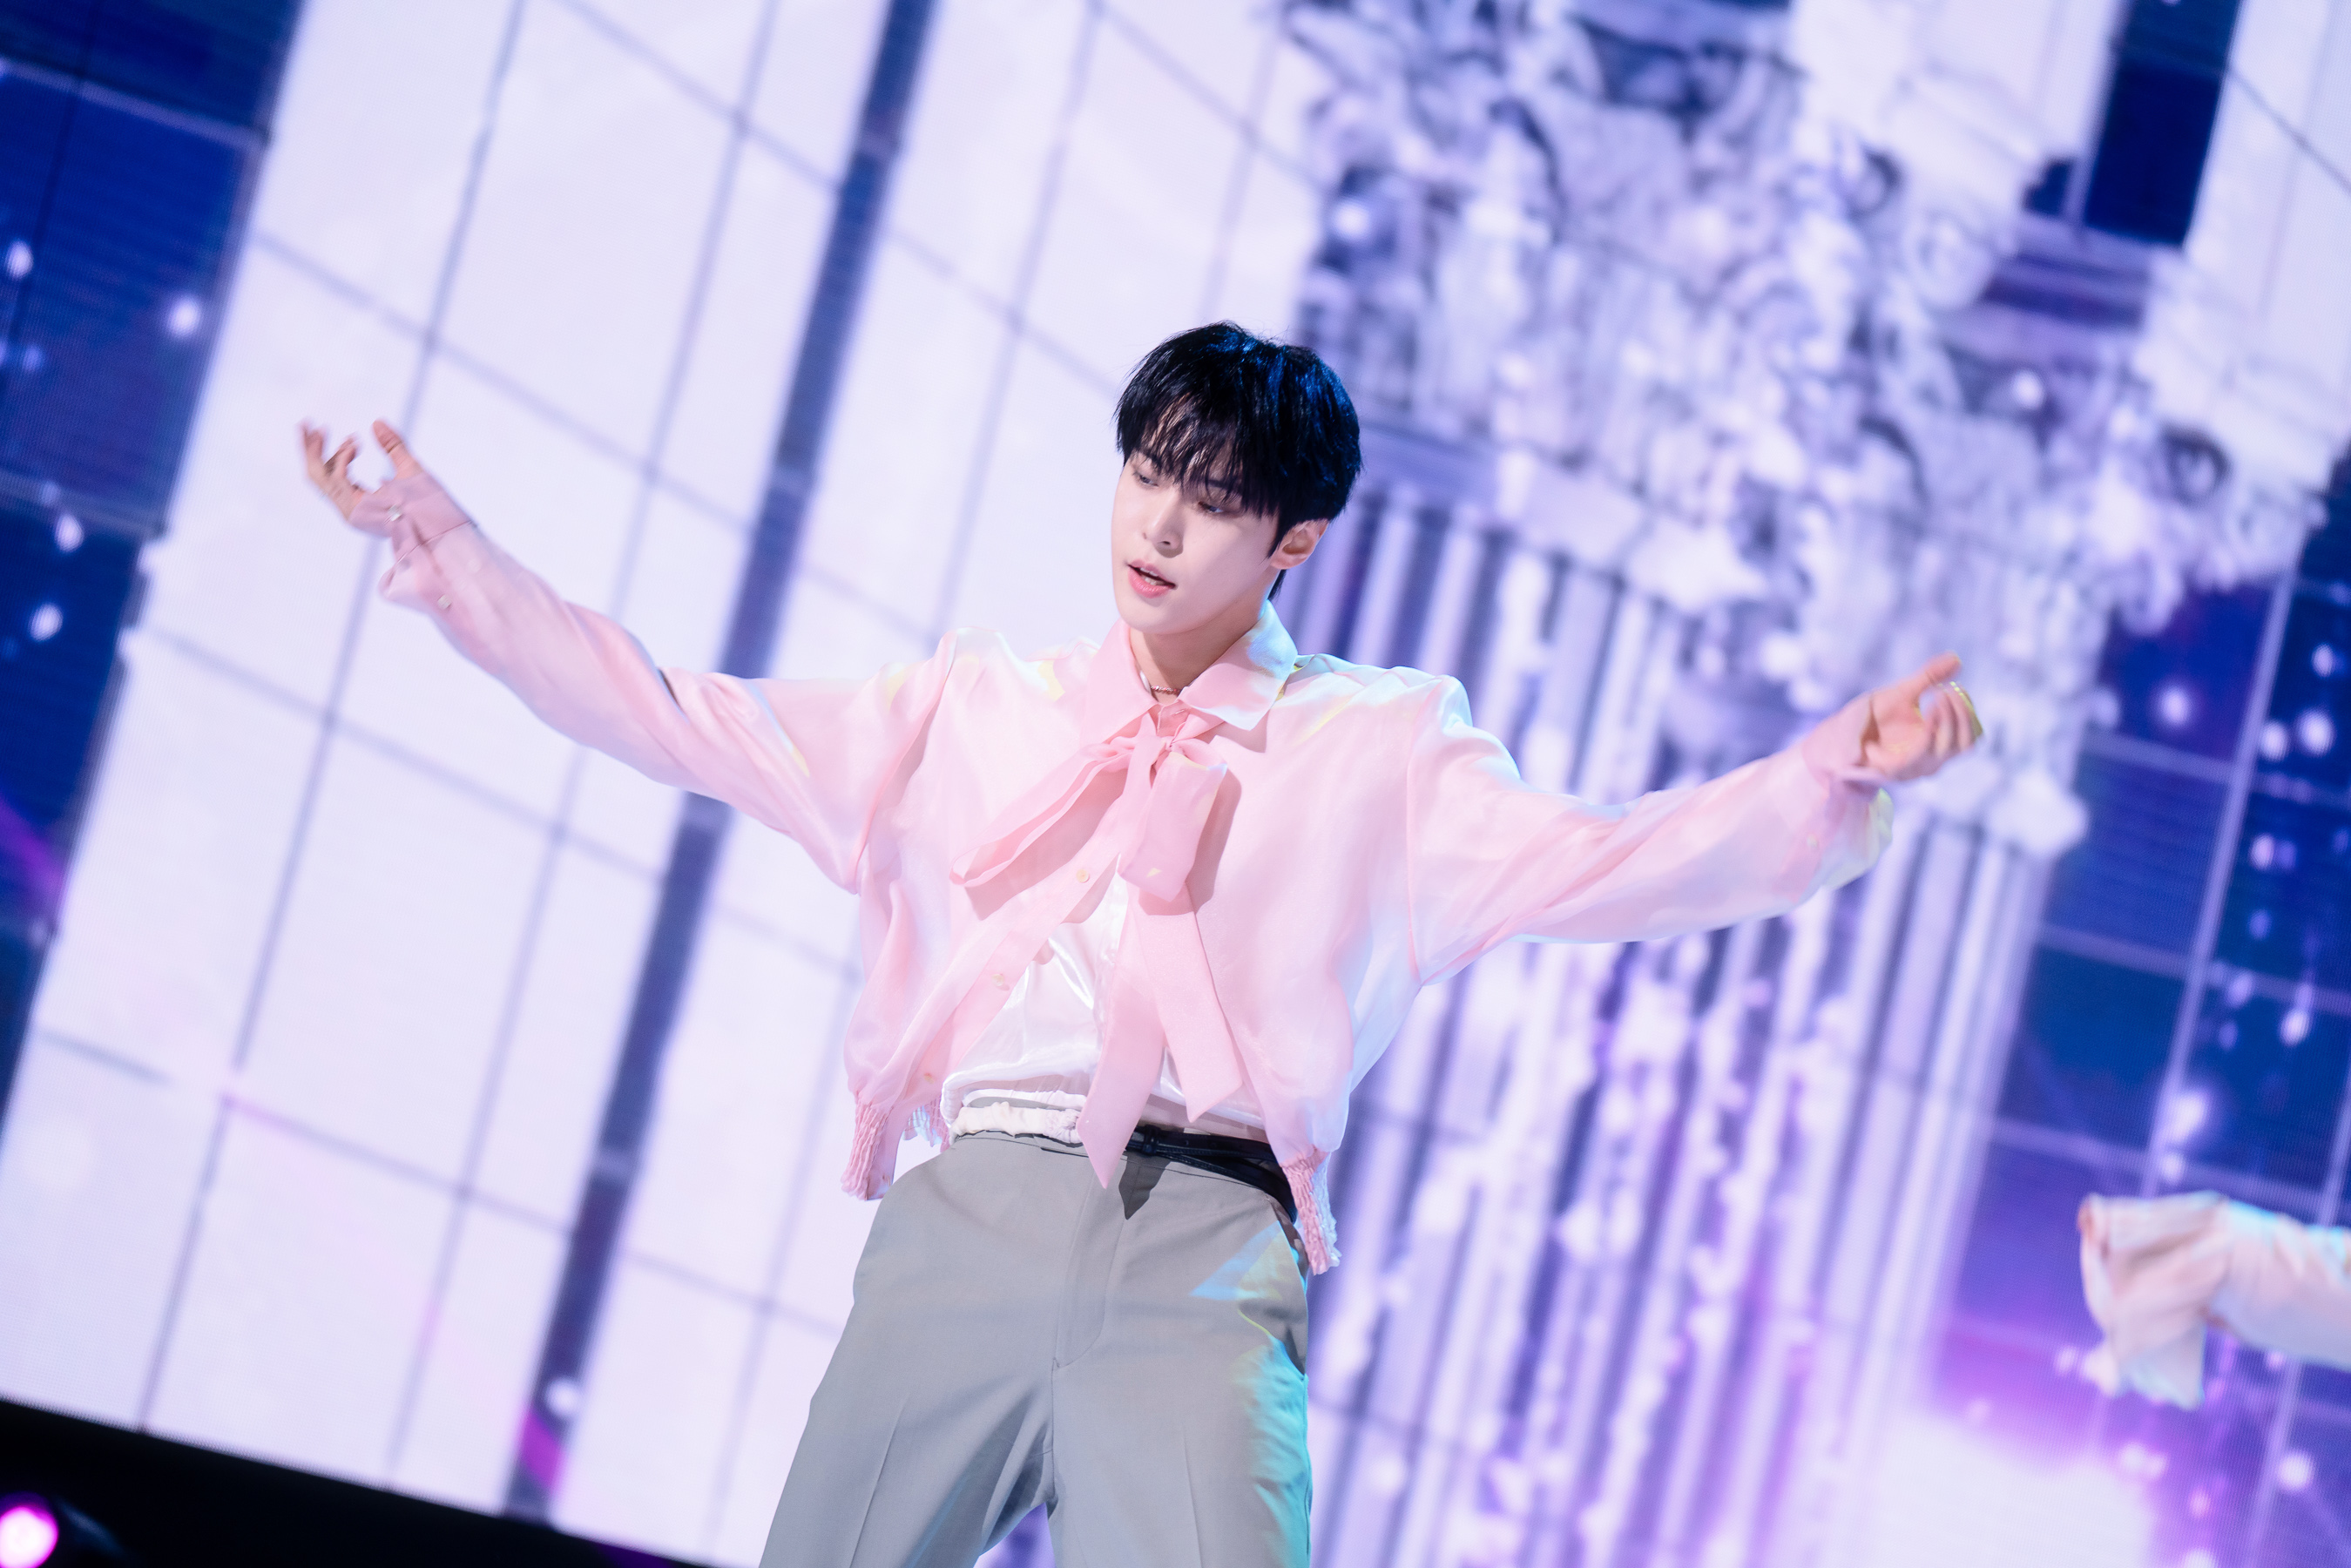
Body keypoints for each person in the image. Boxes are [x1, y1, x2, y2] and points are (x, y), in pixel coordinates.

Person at [301, 322, 1982, 1568]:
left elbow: (1604, 863)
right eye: (1147, 473)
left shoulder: (1381, 747)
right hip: (966, 1228)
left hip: (1205, 1263)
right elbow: (676, 715)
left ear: (1293, 541)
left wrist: (1821, 777)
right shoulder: (974, 707)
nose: (1160, 526)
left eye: (1215, 500)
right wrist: (450, 557)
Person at [2079, 1192, 2351, 1408]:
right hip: (2266, 1276)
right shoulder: (2209, 1239)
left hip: (2264, 1278)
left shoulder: (2208, 1248)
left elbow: (2136, 1341)